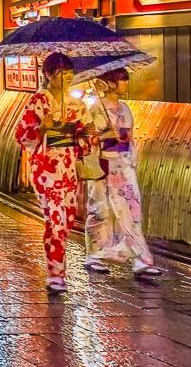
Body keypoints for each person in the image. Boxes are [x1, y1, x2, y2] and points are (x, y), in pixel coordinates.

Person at [14, 53, 93, 293]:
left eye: (69, 73)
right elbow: (22, 136)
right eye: (61, 74)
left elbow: (87, 139)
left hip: (69, 167)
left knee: (66, 217)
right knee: (57, 218)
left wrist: (86, 133)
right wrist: (42, 127)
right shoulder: (38, 102)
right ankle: (56, 273)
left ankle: (56, 269)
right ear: (48, 75)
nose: (66, 78)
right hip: (46, 167)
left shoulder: (77, 105)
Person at [83, 69, 162, 279]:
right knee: (101, 210)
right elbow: (87, 139)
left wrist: (130, 156)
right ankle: (94, 254)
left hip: (123, 165)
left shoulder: (125, 109)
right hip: (104, 164)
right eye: (121, 79)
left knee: (132, 210)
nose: (126, 83)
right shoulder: (95, 109)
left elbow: (130, 138)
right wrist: (105, 135)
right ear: (109, 83)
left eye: (126, 79)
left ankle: (141, 259)